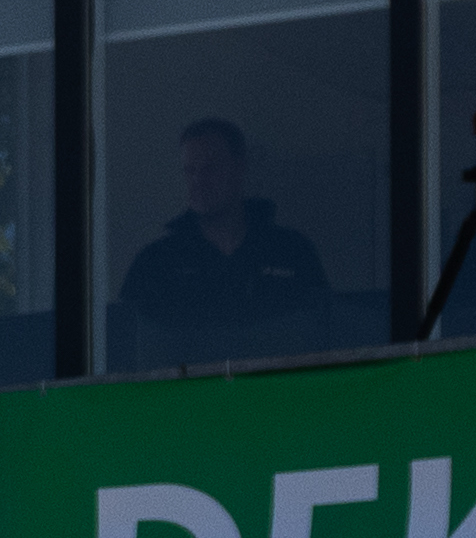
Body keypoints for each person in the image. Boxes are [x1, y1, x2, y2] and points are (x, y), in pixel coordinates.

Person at [106, 116, 333, 367]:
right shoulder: (155, 263)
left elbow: (323, 339)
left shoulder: (292, 251)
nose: (198, 181)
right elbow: (127, 356)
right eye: (190, 170)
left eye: (210, 168)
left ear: (239, 168)